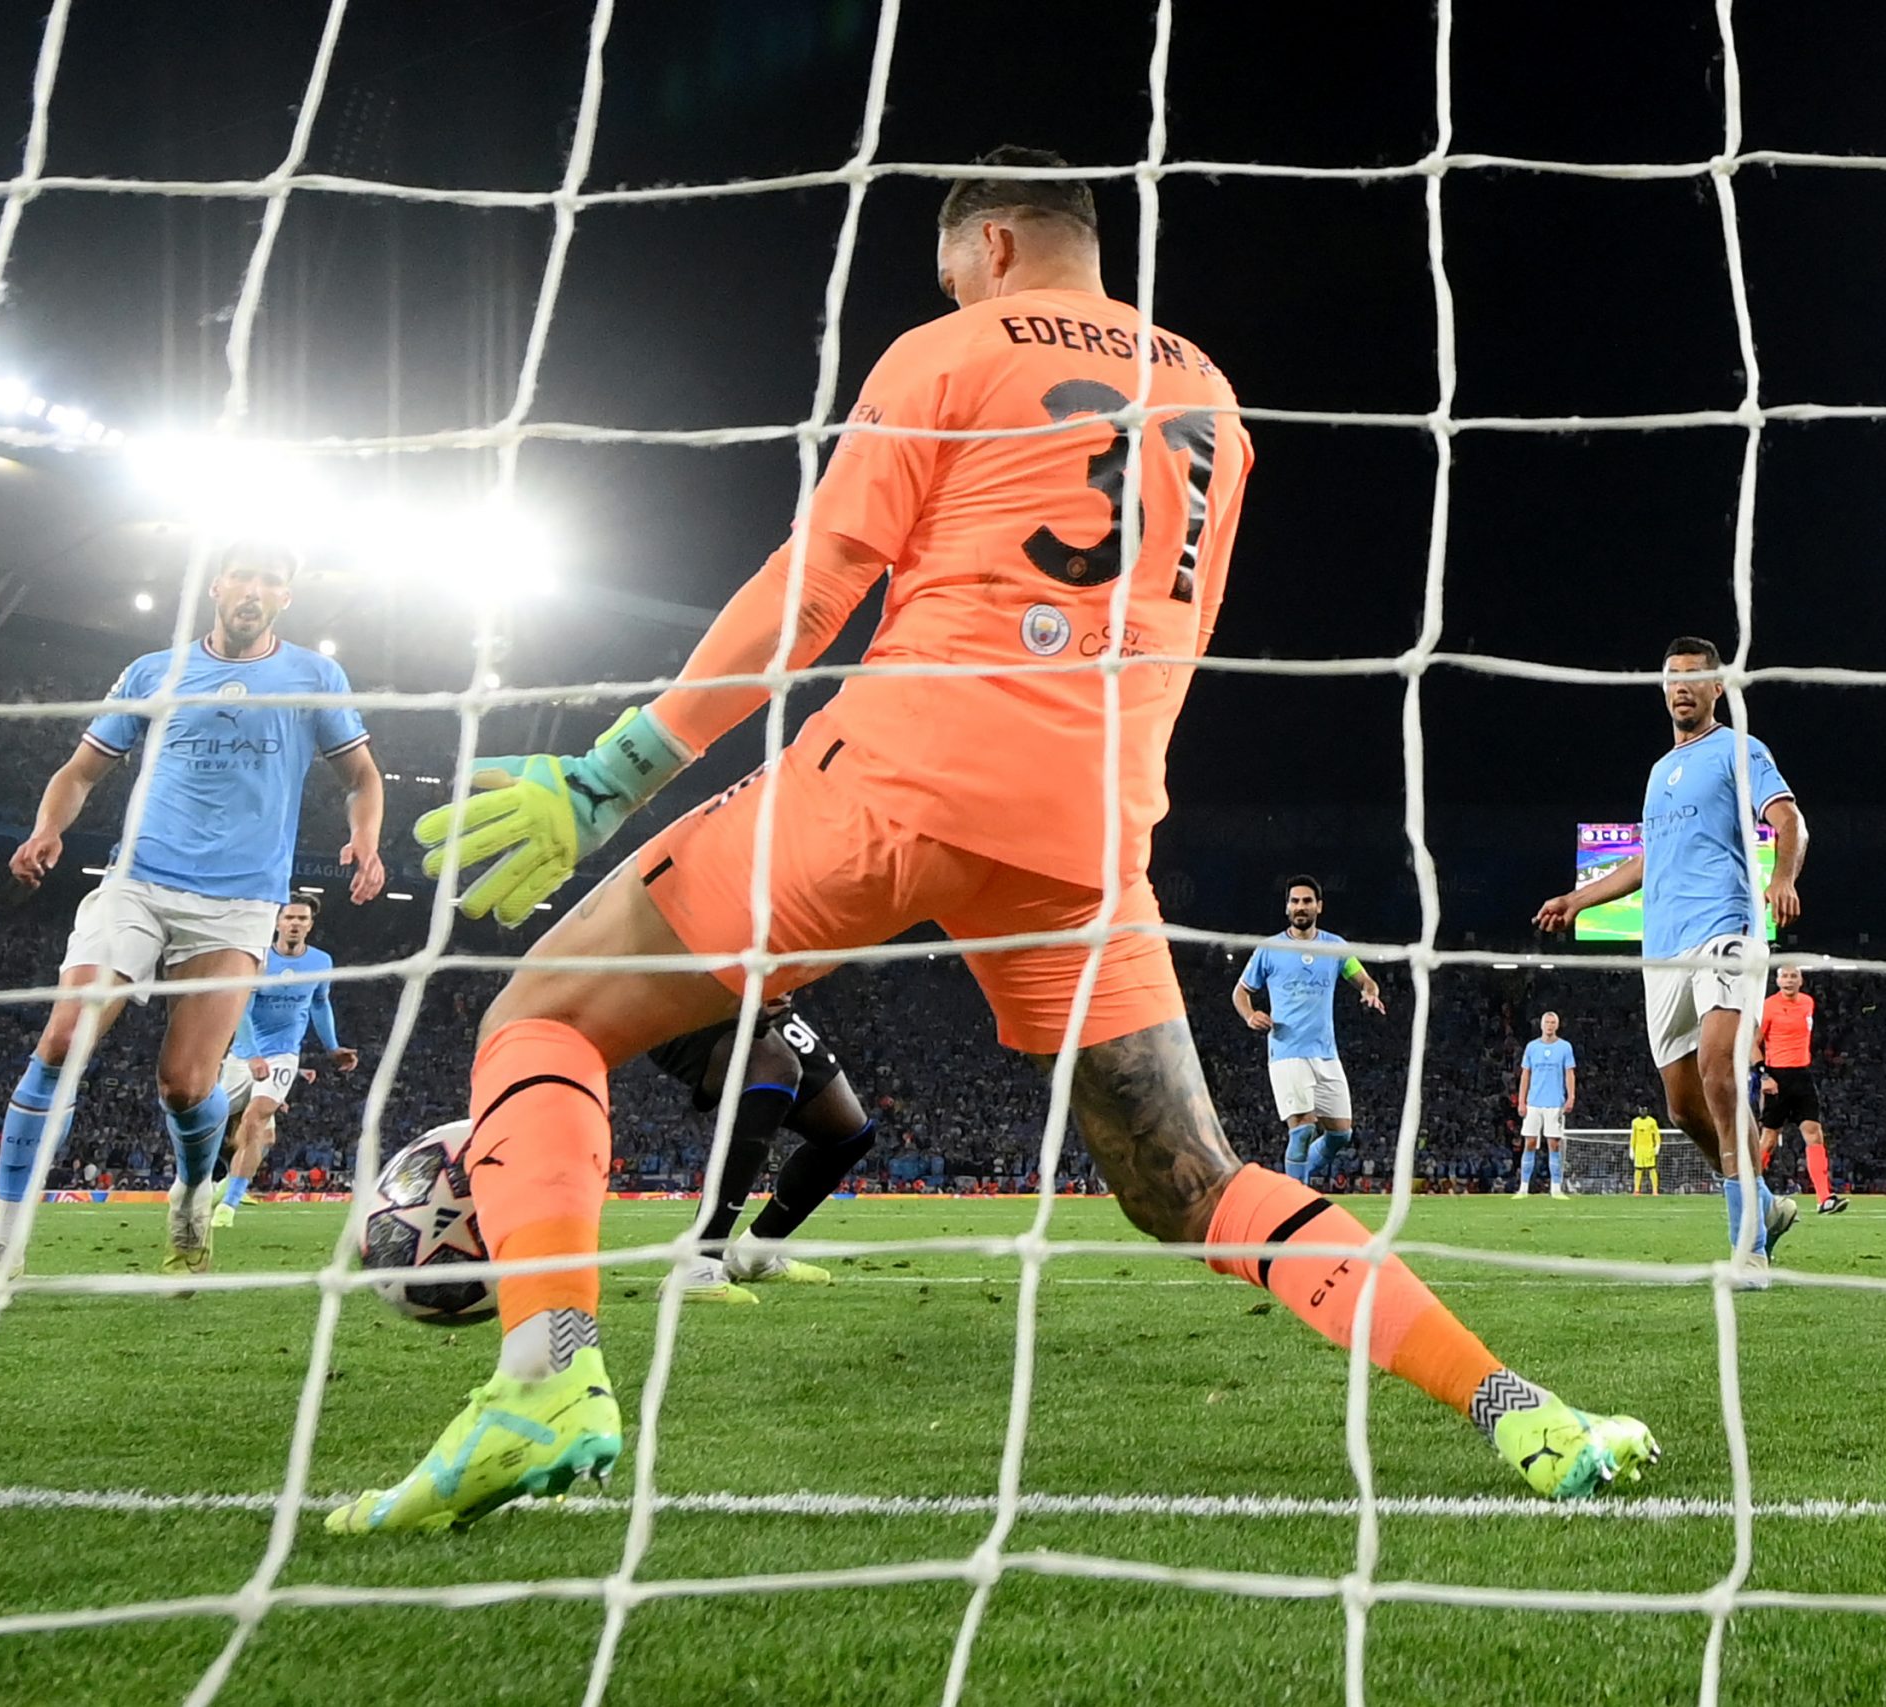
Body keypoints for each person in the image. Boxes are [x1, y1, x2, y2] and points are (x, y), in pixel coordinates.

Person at [328, 147, 1656, 1536]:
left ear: (998, 245)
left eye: (953, 271)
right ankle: (1520, 1410)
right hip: (1084, 838)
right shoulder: (1212, 398)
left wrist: (620, 766)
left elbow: (822, 575)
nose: (952, 291)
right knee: (1194, 1184)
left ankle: (546, 1373)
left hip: (894, 780)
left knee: (543, 1014)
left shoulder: (950, 348)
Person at [0, 545, 385, 1310]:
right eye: (244, 574)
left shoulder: (314, 676)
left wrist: (365, 839)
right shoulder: (152, 672)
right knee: (64, 1039)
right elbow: (80, 770)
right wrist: (47, 830)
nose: (256, 590)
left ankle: (189, 1200)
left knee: (185, 1084)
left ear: (286, 596)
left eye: (273, 579)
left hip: (239, 904)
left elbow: (363, 775)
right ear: (217, 585)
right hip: (137, 882)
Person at [1536, 636, 1809, 1264]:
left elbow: (1788, 817)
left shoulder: (1740, 749)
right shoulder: (1659, 774)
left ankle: (1750, 1246)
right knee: (1684, 1108)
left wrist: (1783, 877)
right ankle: (1761, 1199)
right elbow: (1647, 858)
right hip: (1664, 949)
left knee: (1720, 1070)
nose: (1682, 686)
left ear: (1718, 688)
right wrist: (1581, 900)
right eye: (1673, 677)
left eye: (1695, 676)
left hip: (1727, 927)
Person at [643, 996, 878, 1302]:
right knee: (774, 1066)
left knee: (849, 1134)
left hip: (756, 988)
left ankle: (755, 1255)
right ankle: (698, 1265)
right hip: (679, 989)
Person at [1230, 875, 1384, 1188]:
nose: (1301, 907)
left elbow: (1364, 979)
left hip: (1325, 1053)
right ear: (1287, 908)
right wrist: (1250, 1015)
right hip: (1287, 1051)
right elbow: (1240, 992)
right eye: (1295, 901)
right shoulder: (1270, 949)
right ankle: (1294, 1199)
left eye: (1307, 901)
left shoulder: (1335, 947)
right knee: (1302, 1130)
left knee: (1341, 1135)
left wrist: (1369, 990)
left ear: (1319, 906)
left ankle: (1288, 1182)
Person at [213, 894, 356, 1229]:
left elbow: (320, 1003)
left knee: (255, 1120)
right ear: (277, 921)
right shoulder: (259, 958)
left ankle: (228, 1205)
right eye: (289, 917)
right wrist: (252, 1055)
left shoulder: (321, 962)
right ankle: (214, 1183)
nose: (295, 924)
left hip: (283, 1055)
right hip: (243, 1054)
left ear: (310, 924)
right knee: (209, 1122)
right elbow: (242, 1009)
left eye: (301, 919)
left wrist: (332, 1048)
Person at [1756, 966, 1845, 1214]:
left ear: (1801, 980)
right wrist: (1763, 1075)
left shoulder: (1807, 1003)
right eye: (1785, 976)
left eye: (1793, 976)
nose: (1789, 980)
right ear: (1777, 980)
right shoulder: (1768, 1006)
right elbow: (1753, 1043)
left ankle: (1824, 1198)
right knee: (1770, 1139)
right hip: (1777, 1076)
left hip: (1802, 1075)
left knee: (1813, 1132)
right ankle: (1746, 1189)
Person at [1514, 1011, 1577, 1199]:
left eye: (1552, 1022)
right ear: (1541, 1025)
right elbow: (1525, 1074)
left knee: (1554, 1144)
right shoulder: (1532, 1047)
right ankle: (1523, 1188)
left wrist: (1571, 1097)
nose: (1549, 1025)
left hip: (1554, 1103)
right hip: (1534, 1103)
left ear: (1557, 1025)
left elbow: (1569, 1073)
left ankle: (1556, 1188)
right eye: (1547, 1022)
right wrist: (1522, 1100)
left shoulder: (1565, 1047)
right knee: (1530, 1143)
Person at [1630, 1108, 1664, 1196]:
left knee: (1651, 1168)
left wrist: (1657, 1145)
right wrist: (1631, 1149)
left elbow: (1657, 1134)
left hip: (1649, 1149)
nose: (1643, 1112)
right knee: (1638, 1169)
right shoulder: (1635, 1122)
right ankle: (1637, 1190)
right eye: (1641, 1110)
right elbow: (1633, 1136)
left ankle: (1655, 1191)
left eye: (1644, 1110)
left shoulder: (1652, 1121)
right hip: (1639, 1149)